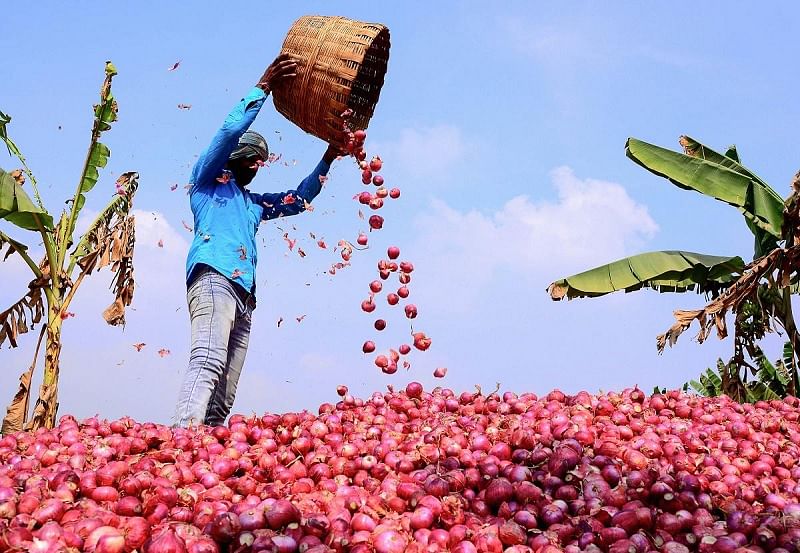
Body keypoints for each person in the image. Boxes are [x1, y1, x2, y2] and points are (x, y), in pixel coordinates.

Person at [173, 54, 341, 427]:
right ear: (235, 160)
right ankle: (182, 437)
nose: (255, 168)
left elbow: (298, 201)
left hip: (244, 295)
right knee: (209, 358)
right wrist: (262, 86)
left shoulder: (252, 204)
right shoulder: (205, 182)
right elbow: (227, 134)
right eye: (252, 161)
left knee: (227, 386)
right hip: (215, 277)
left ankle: (209, 447)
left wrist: (329, 157)